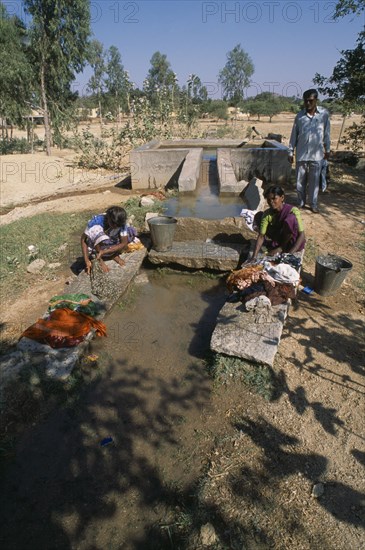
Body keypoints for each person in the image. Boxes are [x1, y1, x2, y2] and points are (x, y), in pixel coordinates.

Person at [289, 89, 330, 214]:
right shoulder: (300, 116)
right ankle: (301, 202)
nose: (308, 103)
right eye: (306, 101)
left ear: (316, 100)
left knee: (314, 182)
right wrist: (290, 151)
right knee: (300, 181)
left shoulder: (324, 115)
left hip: (317, 155)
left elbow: (327, 134)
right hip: (301, 155)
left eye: (310, 101)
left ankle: (313, 204)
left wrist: (327, 150)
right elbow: (293, 135)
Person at [251, 185, 306, 261]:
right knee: (258, 216)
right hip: (279, 238)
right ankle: (278, 246)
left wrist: (288, 255)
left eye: (274, 198)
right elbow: (261, 236)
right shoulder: (267, 214)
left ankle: (281, 248)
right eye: (268, 200)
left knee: (290, 219)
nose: (271, 202)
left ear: (282, 198)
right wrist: (254, 256)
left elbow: (302, 234)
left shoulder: (293, 210)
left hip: (290, 242)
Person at [81, 206, 129, 274]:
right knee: (96, 231)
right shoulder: (96, 222)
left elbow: (124, 243)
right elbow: (83, 240)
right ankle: (99, 258)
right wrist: (86, 260)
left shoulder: (120, 223)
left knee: (127, 236)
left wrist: (105, 251)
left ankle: (112, 254)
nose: (115, 227)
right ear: (108, 218)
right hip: (96, 245)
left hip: (110, 242)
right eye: (113, 224)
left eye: (117, 225)